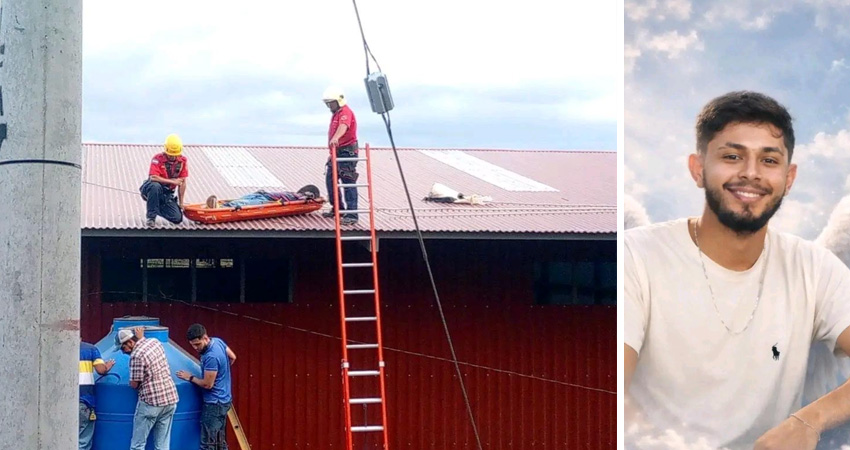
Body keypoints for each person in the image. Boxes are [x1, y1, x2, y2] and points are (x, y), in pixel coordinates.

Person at [624, 91, 850, 450]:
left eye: (769, 160)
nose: (750, 173)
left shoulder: (814, 268)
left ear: (789, 179)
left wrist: (810, 420)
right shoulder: (634, 257)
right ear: (698, 169)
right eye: (732, 156)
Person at [176, 324, 236, 450]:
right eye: (193, 345)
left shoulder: (211, 357)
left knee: (208, 443)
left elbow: (208, 385)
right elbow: (232, 357)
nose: (196, 348)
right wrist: (222, 372)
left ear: (205, 338)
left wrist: (190, 377)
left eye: (198, 344)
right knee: (220, 442)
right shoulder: (218, 342)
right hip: (225, 400)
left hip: (213, 404)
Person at [118, 327, 179, 450]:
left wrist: (130, 382)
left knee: (138, 445)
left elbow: (135, 384)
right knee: (162, 445)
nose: (123, 352)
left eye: (123, 348)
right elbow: (144, 344)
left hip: (151, 403)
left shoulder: (136, 355)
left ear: (130, 342)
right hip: (170, 399)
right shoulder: (155, 342)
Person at [321, 86, 360, 225]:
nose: (329, 106)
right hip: (336, 151)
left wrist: (336, 138)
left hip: (347, 151)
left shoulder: (345, 112)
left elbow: (343, 126)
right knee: (331, 180)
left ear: (338, 101)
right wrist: (332, 153)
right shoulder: (336, 114)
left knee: (348, 181)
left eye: (330, 103)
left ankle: (352, 214)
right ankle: (338, 208)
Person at [140, 134, 189, 228]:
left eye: (174, 155)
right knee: (155, 186)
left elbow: (182, 182)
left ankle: (155, 206)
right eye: (170, 155)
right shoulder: (157, 159)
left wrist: (181, 202)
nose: (172, 157)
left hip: (167, 194)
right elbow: (153, 177)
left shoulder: (182, 161)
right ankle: (151, 217)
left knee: (177, 218)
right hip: (152, 188)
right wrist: (173, 181)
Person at [79, 341, 115, 450]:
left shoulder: (58, 348)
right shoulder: (90, 349)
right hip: (84, 400)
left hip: (62, 402)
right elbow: (100, 370)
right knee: (83, 440)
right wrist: (106, 367)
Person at [205, 185, 320, 209]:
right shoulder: (297, 196)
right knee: (246, 202)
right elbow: (309, 199)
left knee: (245, 201)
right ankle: (222, 206)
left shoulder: (294, 196)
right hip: (267, 197)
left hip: (265, 195)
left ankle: (221, 205)